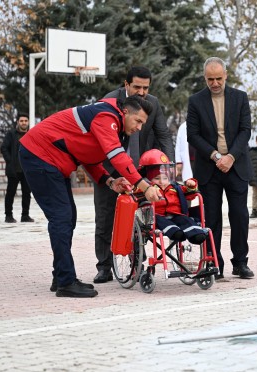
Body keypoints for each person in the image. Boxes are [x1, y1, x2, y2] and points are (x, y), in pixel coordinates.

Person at [19, 95, 162, 298]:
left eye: (143, 124)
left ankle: (61, 276)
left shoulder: (109, 119)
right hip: (41, 155)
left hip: (49, 159)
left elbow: (89, 157)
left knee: (68, 217)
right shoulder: (106, 116)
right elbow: (117, 155)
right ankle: (65, 282)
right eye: (138, 121)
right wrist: (144, 185)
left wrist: (110, 182)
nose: (139, 128)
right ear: (126, 112)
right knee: (61, 217)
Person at [93, 66, 174, 284]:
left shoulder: (153, 104)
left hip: (140, 171)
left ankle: (137, 260)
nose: (141, 91)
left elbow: (163, 135)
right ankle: (104, 267)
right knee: (105, 218)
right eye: (136, 86)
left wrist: (168, 168)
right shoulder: (109, 102)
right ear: (126, 84)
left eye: (145, 87)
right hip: (110, 170)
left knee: (143, 220)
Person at [186, 57, 254, 279]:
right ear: (204, 78)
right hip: (209, 169)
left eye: (218, 78)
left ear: (226, 75)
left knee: (239, 217)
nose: (214, 83)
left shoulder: (240, 98)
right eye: (210, 79)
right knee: (211, 219)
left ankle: (240, 262)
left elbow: (245, 131)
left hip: (236, 167)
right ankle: (215, 264)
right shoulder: (195, 101)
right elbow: (192, 135)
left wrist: (231, 156)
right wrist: (217, 156)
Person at [138, 149, 208, 244]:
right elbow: (136, 194)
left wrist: (191, 185)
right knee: (160, 220)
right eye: (157, 178)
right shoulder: (147, 189)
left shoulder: (174, 187)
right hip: (156, 216)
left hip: (175, 214)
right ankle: (175, 232)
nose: (162, 182)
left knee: (185, 219)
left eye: (165, 178)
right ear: (149, 179)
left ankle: (196, 234)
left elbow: (190, 194)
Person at [1, 114, 34, 223]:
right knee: (10, 193)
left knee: (27, 193)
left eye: (25, 120)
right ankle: (8, 215)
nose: (24, 123)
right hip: (14, 170)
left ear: (28, 122)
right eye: (21, 121)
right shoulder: (11, 134)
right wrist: (9, 161)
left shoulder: (31, 134)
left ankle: (25, 215)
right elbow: (3, 148)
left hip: (27, 170)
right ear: (18, 122)